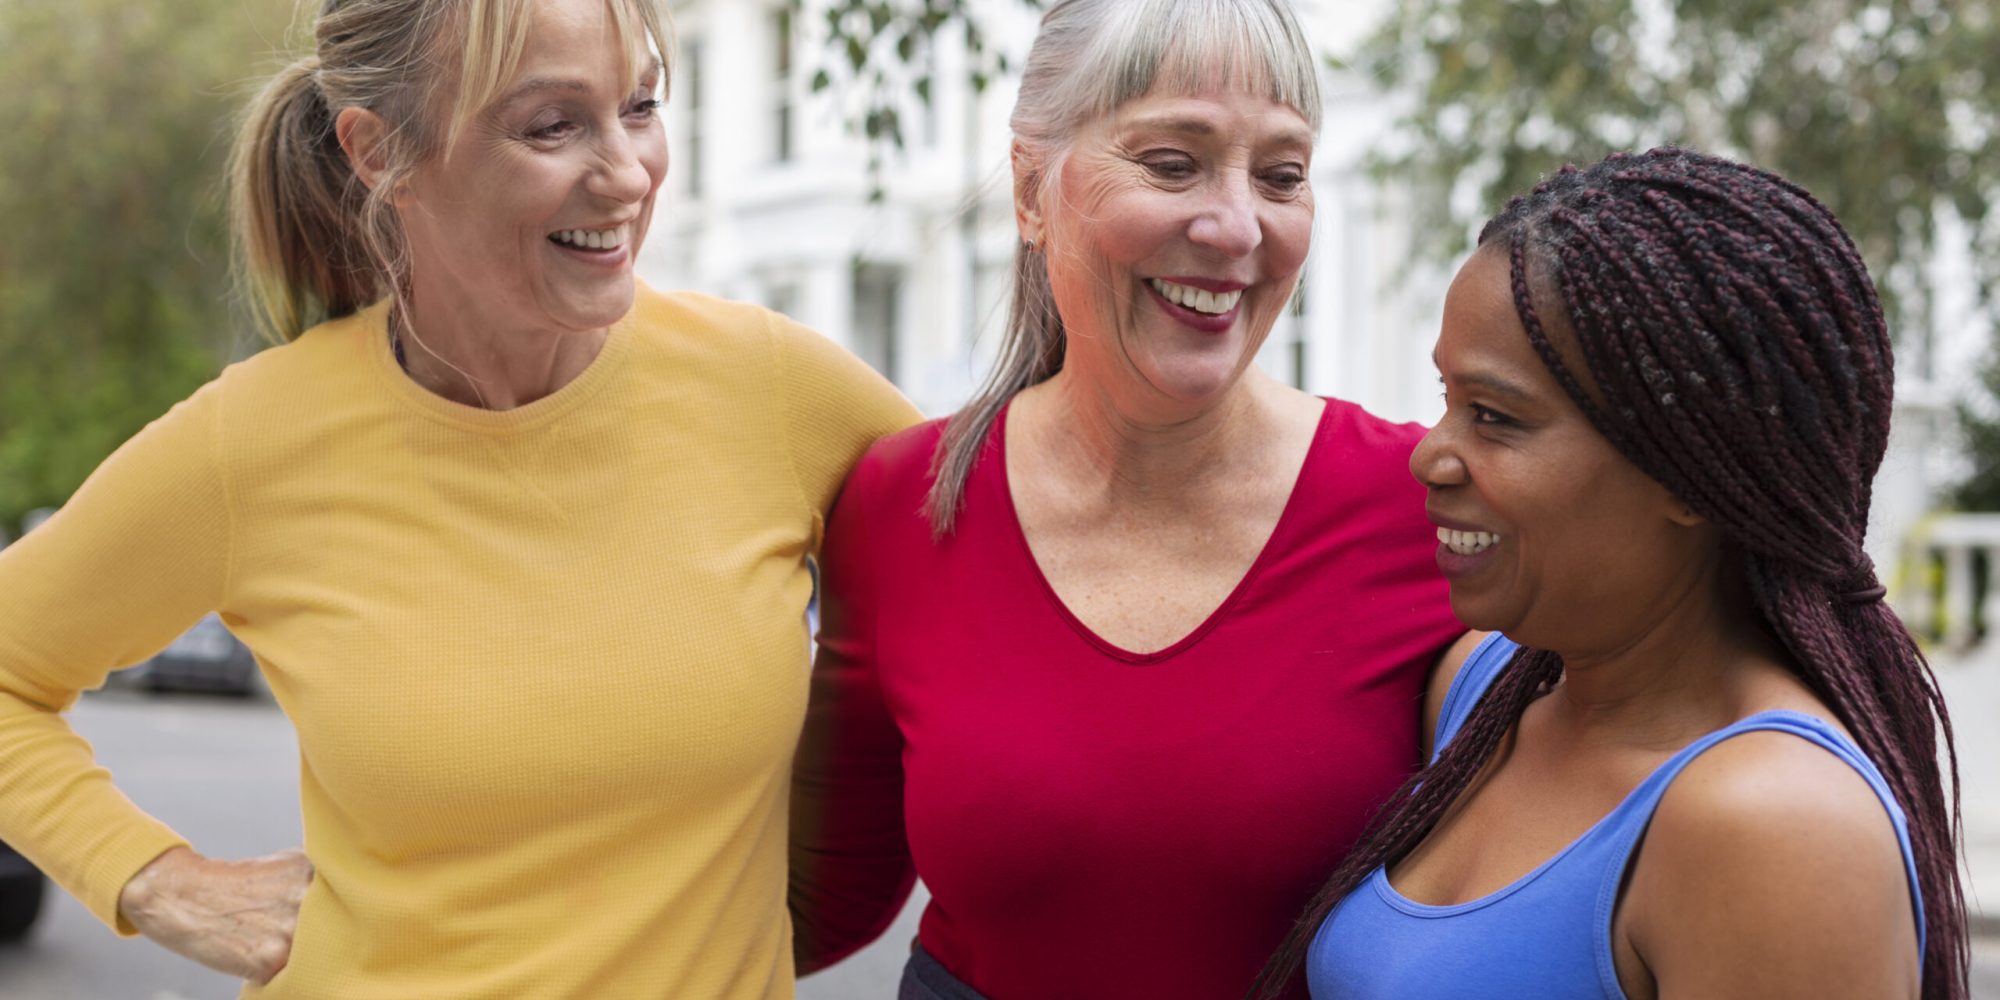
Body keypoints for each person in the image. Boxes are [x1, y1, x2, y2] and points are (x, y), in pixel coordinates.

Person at [0, 0, 916, 996]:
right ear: (380, 151)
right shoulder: (254, 442)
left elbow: (1025, 565)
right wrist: (154, 880)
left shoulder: (770, 388)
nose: (627, 171)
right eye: (551, 125)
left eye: (640, 105)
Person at [786, 1, 1468, 997]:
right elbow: (818, 900)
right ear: (1030, 190)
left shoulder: (1424, 512)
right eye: (1171, 162)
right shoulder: (903, 503)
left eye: (1280, 176)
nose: (1236, 226)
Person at [1256, 149, 1968, 999]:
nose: (1432, 455)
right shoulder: (1494, 694)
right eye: (1447, 399)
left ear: (1686, 474)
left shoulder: (1776, 823)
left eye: (1494, 417)